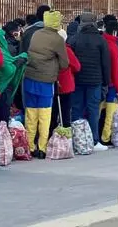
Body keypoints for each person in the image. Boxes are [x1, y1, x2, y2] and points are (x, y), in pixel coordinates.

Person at [24, 11, 68, 158]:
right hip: (46, 81)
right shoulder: (57, 39)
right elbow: (65, 63)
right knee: (44, 115)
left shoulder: (36, 34)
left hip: (29, 78)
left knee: (31, 114)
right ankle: (42, 148)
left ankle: (30, 146)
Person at [70, 12, 110, 151]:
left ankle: (77, 139)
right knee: (93, 110)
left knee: (77, 109)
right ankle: (94, 140)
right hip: (95, 81)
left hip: (78, 80)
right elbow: (106, 63)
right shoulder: (101, 40)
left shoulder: (74, 39)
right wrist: (106, 81)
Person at [0, 27, 28, 123]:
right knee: (0, 120)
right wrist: (20, 60)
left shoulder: (1, 50)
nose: (4, 39)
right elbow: (7, 70)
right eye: (2, 37)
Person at [51, 29, 80, 134]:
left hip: (51, 82)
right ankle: (66, 136)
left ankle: (51, 135)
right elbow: (77, 66)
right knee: (65, 112)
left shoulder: (48, 49)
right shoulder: (66, 50)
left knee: (52, 112)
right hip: (66, 84)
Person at [100, 20, 118, 144]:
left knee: (96, 111)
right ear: (115, 32)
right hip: (112, 85)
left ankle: (94, 136)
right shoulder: (113, 46)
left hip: (99, 83)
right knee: (111, 113)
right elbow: (116, 70)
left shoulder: (101, 41)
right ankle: (106, 137)